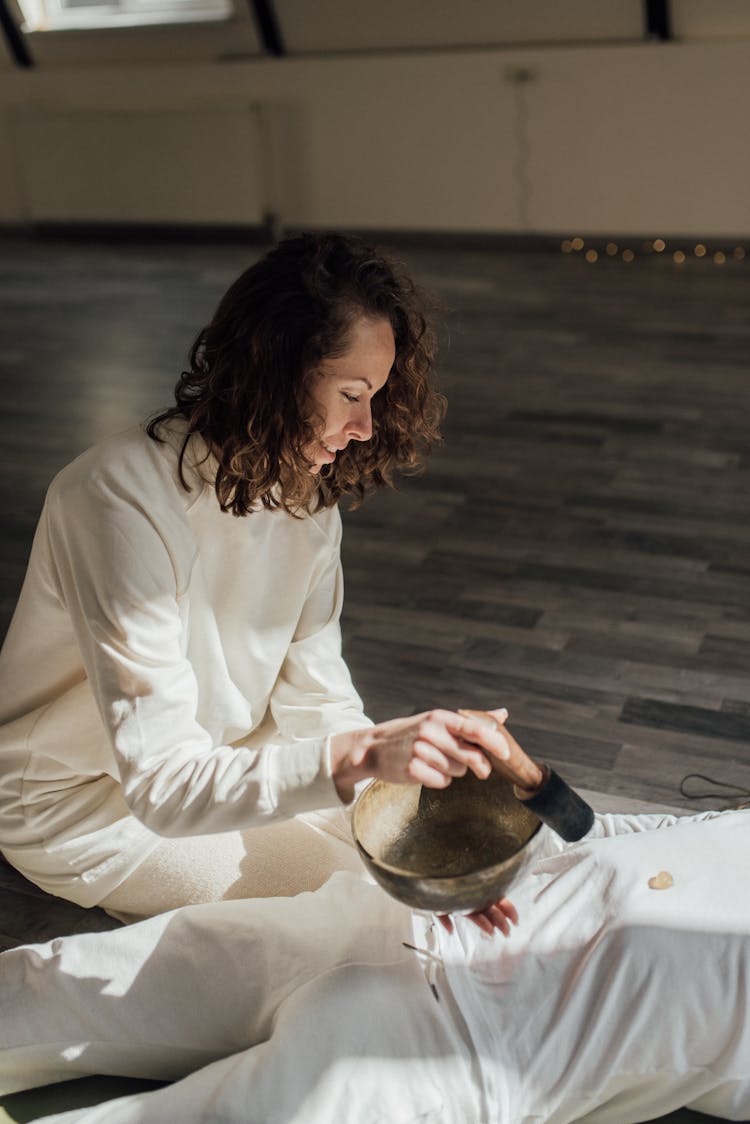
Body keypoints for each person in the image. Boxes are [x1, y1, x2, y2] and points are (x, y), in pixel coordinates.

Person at [0, 232, 513, 922]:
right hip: (81, 805)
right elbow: (164, 786)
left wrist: (425, 862)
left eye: (376, 396)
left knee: (415, 885)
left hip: (223, 759)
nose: (364, 426)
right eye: (351, 393)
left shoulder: (306, 503)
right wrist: (364, 759)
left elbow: (317, 709)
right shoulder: (114, 497)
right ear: (276, 367)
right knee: (362, 915)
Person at [1, 790, 748, 1123]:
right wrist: (524, 808)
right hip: (393, 920)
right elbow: (619, 833)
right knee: (71, 976)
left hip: (456, 1054)